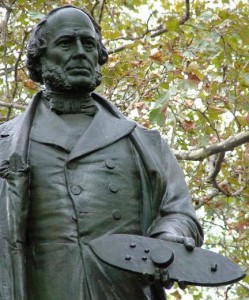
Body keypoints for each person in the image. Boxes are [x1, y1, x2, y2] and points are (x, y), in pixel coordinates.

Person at [0, 5, 203, 300]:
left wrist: (167, 239)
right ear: (40, 58)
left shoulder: (146, 143)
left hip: (122, 289)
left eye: (89, 44)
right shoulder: (5, 142)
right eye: (66, 43)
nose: (81, 52)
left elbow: (177, 213)